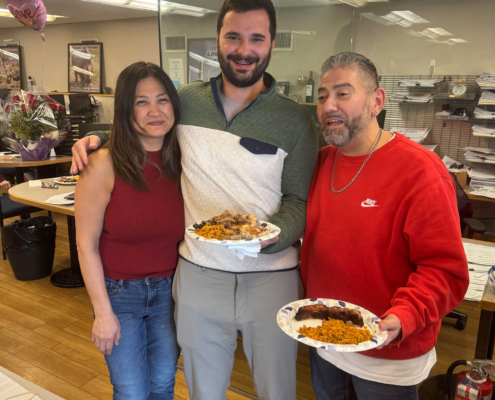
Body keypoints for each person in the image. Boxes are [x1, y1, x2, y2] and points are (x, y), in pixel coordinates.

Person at [71, 1, 318, 399]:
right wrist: (96, 141)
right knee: (201, 389)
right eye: (233, 36)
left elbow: (300, 201)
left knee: (277, 390)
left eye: (257, 38)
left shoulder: (297, 121)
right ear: (217, 40)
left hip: (271, 273)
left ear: (272, 43)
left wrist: (265, 239)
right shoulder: (186, 101)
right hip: (198, 273)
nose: (244, 49)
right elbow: (143, 121)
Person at [300, 52, 469, 400]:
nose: (329, 106)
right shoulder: (320, 162)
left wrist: (405, 315)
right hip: (325, 339)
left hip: (387, 351)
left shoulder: (420, 171)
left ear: (377, 101)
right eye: (322, 96)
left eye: (343, 94)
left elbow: (445, 271)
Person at [75, 62, 183, 400]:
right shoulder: (102, 164)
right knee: (132, 391)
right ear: (126, 109)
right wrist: (103, 313)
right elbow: (85, 245)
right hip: (120, 294)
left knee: (164, 384)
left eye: (162, 99)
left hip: (171, 292)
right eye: (141, 102)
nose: (155, 111)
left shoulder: (182, 158)